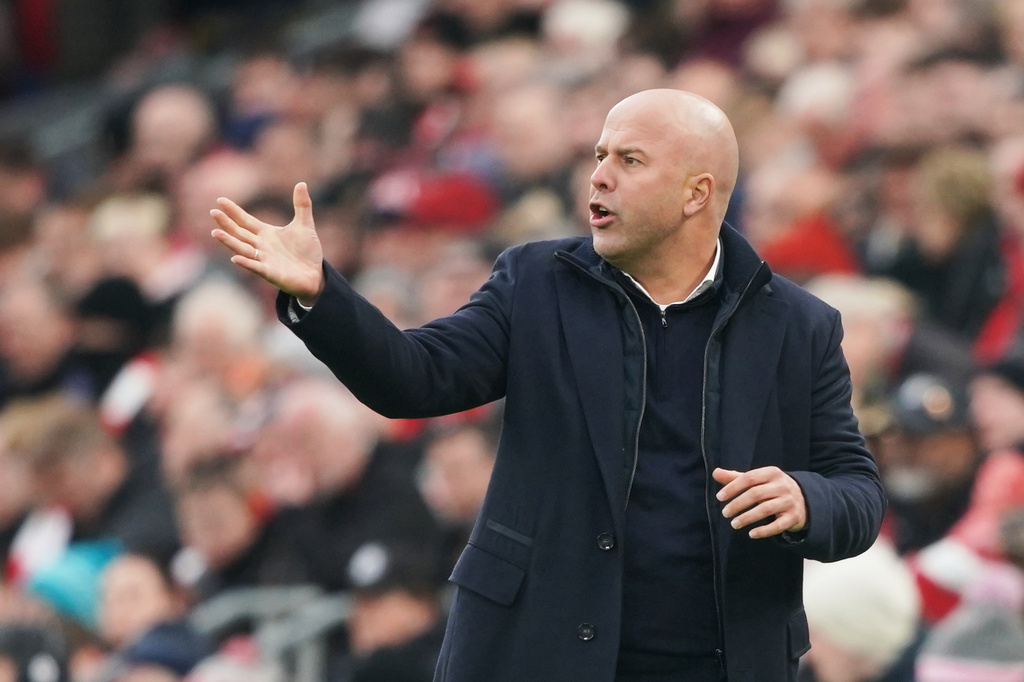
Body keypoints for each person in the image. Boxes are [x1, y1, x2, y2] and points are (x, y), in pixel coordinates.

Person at [211, 88, 885, 682]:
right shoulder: (534, 283)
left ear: (696, 193)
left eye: (630, 161)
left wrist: (805, 498)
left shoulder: (798, 326)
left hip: (718, 660)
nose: (598, 178)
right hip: (535, 652)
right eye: (598, 155)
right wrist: (323, 295)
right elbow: (413, 379)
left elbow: (857, 492)